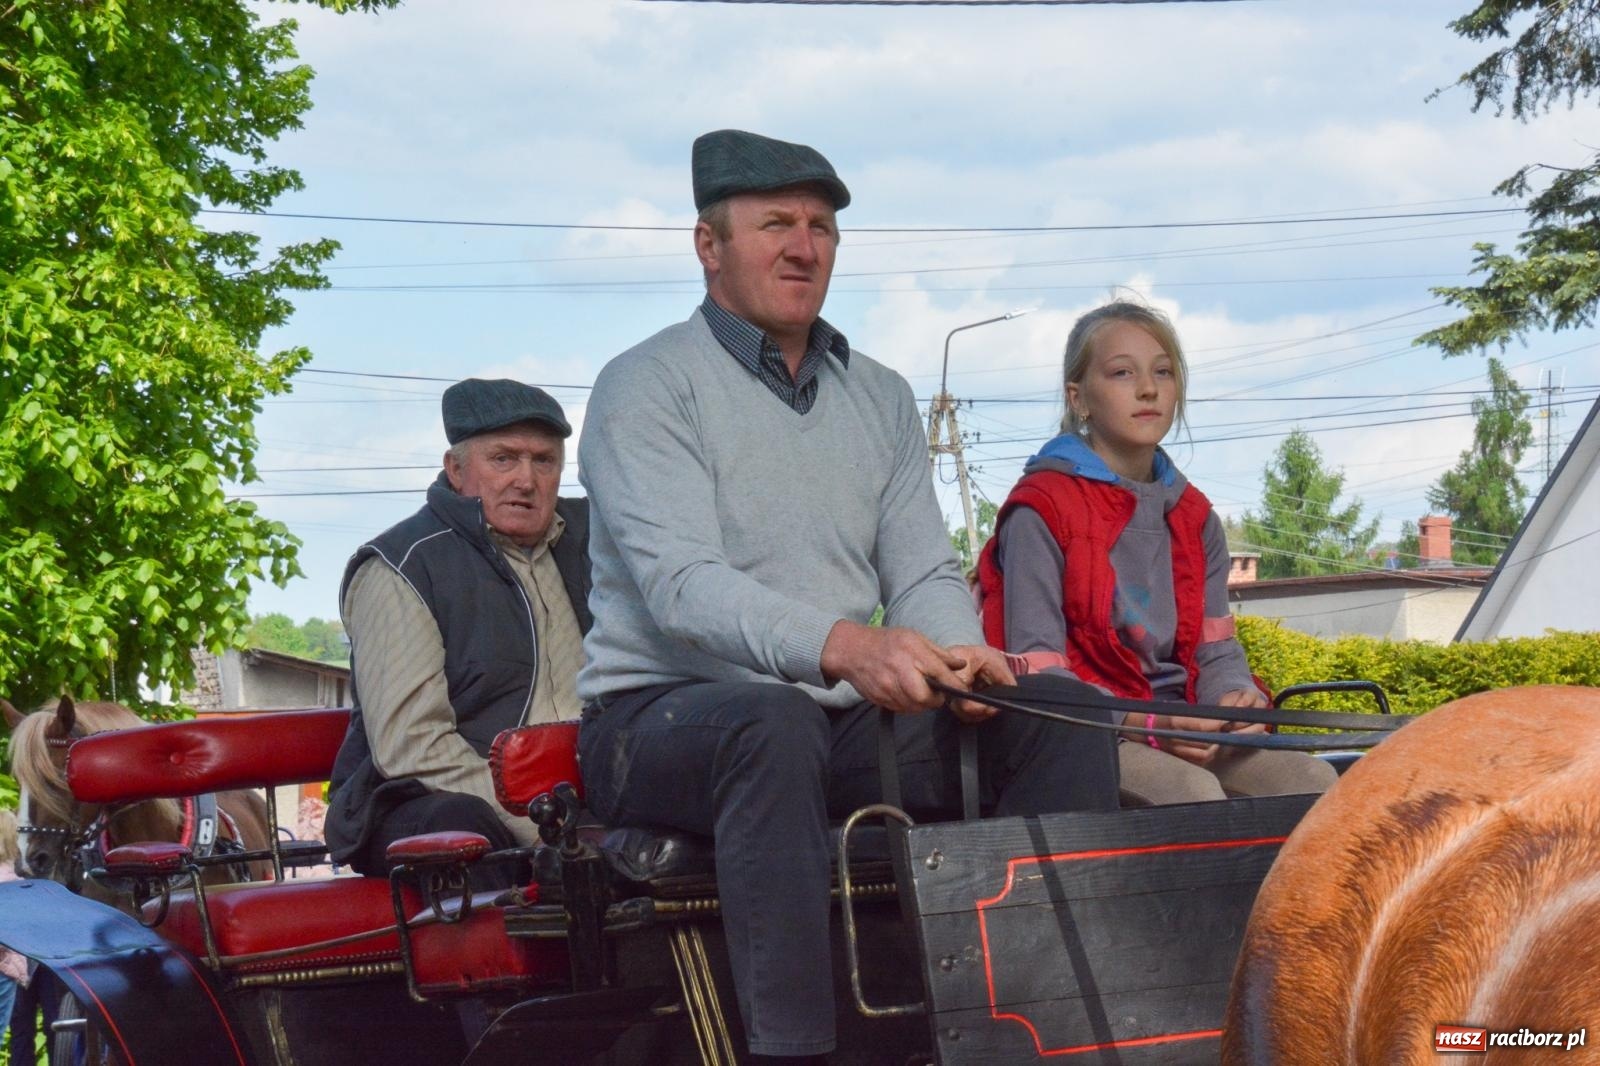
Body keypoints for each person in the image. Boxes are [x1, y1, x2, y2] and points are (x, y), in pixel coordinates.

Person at [577, 129, 1121, 1065]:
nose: (804, 247)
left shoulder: (880, 395)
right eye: (775, 224)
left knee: (1060, 713)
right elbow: (682, 587)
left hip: (828, 722)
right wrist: (848, 647)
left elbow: (922, 572)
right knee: (771, 724)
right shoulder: (645, 386)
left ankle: (1044, 1035)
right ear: (709, 245)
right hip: (656, 723)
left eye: (821, 227)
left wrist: (958, 655)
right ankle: (795, 1053)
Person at [976, 300, 1338, 805]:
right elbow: (1040, 675)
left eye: (1163, 372)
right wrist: (1145, 723)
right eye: (1122, 372)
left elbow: (1215, 649)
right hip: (1090, 732)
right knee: (1191, 793)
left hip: (1185, 720)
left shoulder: (1196, 518)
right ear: (1078, 398)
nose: (1148, 388)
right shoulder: (1041, 509)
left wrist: (1235, 700)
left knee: (1313, 782)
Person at [325, 379, 591, 887]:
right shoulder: (403, 564)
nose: (526, 480)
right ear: (455, 469)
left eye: (544, 461)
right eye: (503, 459)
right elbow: (413, 747)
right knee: (463, 827)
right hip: (425, 800)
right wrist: (543, 824)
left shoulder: (597, 540)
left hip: (580, 793)